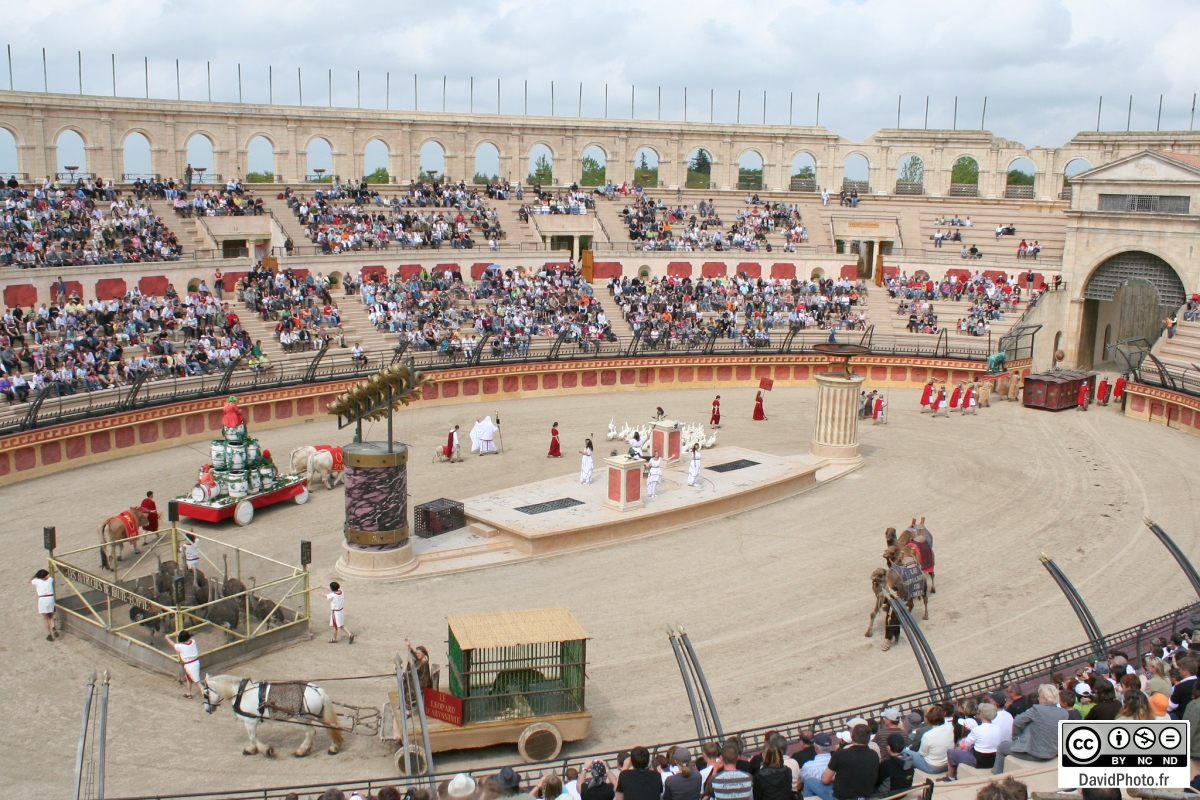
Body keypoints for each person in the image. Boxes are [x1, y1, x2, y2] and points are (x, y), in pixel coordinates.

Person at [992, 684, 1068, 774]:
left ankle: (996, 774)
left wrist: (1016, 738)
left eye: (1039, 697)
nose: (1038, 699)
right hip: (1053, 752)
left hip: (1035, 753)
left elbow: (1017, 722)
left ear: (1044, 698)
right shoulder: (1064, 713)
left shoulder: (1036, 709)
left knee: (1001, 748)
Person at [807, 724, 879, 800]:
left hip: (842, 797)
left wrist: (836, 779)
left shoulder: (841, 754)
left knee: (809, 782)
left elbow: (825, 780)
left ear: (851, 735)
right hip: (865, 796)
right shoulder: (874, 755)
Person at [942, 703, 1001, 781]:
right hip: (993, 759)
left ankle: (951, 777)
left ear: (982, 715)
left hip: (979, 761)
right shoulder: (998, 727)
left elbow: (966, 743)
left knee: (950, 752)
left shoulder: (977, 730)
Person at [904, 705, 952, 774]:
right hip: (947, 763)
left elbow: (922, 753)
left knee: (903, 751)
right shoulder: (950, 727)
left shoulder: (927, 735)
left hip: (933, 767)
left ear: (928, 718)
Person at [166, 629, 200, 698]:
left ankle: (206, 695)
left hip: (189, 665)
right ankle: (189, 693)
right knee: (189, 679)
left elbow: (173, 644)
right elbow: (186, 637)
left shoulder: (181, 646)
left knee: (197, 682)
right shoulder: (193, 641)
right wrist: (179, 634)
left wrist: (167, 638)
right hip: (195, 662)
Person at [31, 568, 58, 641]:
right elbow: (50, 577)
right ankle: (53, 627)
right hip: (50, 598)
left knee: (45, 618)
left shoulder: (37, 581)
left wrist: (35, 575)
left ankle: (49, 635)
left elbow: (30, 581)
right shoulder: (50, 580)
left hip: (42, 599)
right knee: (51, 615)